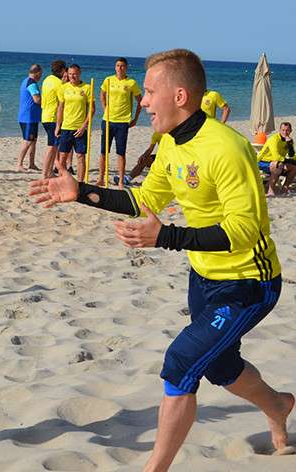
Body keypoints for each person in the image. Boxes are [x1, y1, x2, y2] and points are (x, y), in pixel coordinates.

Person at [30, 48, 293, 472]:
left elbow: (245, 230)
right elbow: (145, 199)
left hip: (248, 282)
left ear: (180, 96)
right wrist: (81, 193)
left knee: (180, 365)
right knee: (221, 366)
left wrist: (166, 237)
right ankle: (278, 405)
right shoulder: (169, 142)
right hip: (203, 277)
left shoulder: (227, 148)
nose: (145, 101)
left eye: (151, 92)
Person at [97, 57, 142, 188]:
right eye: (117, 65)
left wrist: (135, 119)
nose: (119, 68)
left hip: (123, 122)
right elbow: (102, 94)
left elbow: (140, 102)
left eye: (122, 66)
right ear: (115, 67)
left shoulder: (131, 83)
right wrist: (105, 109)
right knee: (103, 152)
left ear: (126, 68)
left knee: (121, 153)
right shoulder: (108, 80)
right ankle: (100, 179)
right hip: (107, 121)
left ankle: (121, 180)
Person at [55, 64, 95, 183]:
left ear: (80, 74)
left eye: (75, 74)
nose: (72, 76)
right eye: (70, 74)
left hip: (80, 128)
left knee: (80, 156)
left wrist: (84, 126)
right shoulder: (63, 88)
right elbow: (60, 108)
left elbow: (92, 109)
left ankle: (80, 184)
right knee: (63, 156)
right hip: (66, 127)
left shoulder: (87, 88)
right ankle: (63, 181)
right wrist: (58, 125)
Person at [40, 59, 66, 179]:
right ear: (62, 69)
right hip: (53, 118)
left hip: (45, 115)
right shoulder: (59, 84)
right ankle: (45, 174)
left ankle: (49, 172)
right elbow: (62, 103)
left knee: (54, 146)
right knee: (52, 147)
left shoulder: (47, 80)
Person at [256, 121, 296, 195]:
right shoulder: (274, 139)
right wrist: (290, 161)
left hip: (276, 162)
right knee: (279, 164)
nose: (285, 132)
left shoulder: (290, 140)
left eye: (287, 130)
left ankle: (284, 188)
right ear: (280, 130)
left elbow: (292, 156)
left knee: (293, 167)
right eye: (283, 130)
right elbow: (276, 157)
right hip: (261, 162)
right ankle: (270, 189)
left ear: (291, 131)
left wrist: (289, 145)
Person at [16, 64, 43, 172]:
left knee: (33, 140)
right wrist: (49, 101)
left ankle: (31, 164)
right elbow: (37, 99)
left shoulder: (26, 80)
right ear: (38, 73)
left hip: (32, 117)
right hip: (28, 117)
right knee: (27, 141)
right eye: (41, 74)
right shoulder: (31, 83)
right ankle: (19, 164)